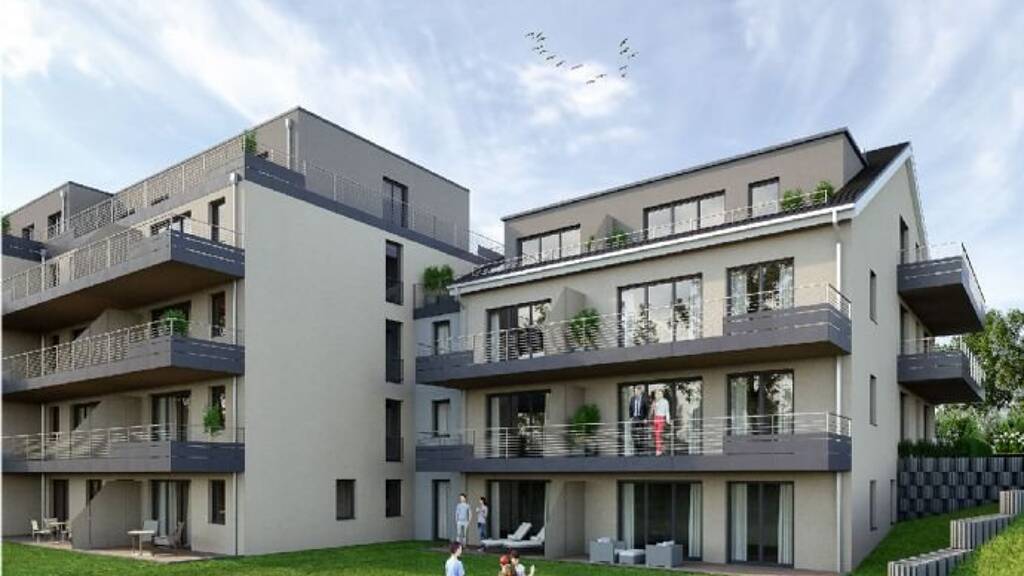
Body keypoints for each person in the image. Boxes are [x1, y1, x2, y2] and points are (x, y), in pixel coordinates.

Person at [628, 385, 648, 455]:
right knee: (633, 433)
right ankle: (637, 448)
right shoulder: (632, 399)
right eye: (635, 391)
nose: (635, 392)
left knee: (641, 434)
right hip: (634, 418)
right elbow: (630, 408)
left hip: (641, 418)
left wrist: (645, 418)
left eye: (637, 391)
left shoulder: (644, 399)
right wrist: (630, 417)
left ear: (640, 391)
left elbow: (646, 409)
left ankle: (641, 449)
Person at [651, 387, 670, 455]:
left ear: (663, 394)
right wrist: (653, 406)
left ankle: (658, 450)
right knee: (655, 434)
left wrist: (668, 419)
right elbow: (652, 411)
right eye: (658, 393)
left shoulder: (665, 401)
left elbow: (667, 411)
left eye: (660, 393)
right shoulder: (655, 401)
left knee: (658, 434)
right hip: (655, 418)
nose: (659, 394)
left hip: (661, 418)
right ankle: (660, 448)